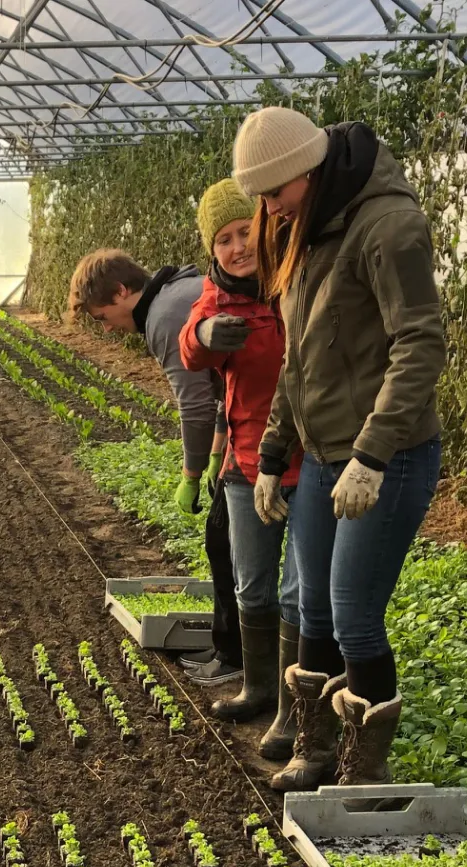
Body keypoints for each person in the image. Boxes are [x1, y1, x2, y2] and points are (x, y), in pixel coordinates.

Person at [232, 108, 445, 791]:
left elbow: (420, 345)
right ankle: (315, 748)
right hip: (324, 453)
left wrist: (374, 454)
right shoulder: (311, 230)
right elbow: (300, 362)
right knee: (315, 609)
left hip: (387, 456)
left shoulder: (388, 226)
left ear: (310, 171)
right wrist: (272, 457)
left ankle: (364, 770)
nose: (267, 209)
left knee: (353, 611)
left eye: (274, 191)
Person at [67, 250, 238, 689]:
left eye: (103, 316)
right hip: (250, 422)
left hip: (268, 427)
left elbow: (195, 404)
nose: (106, 328)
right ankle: (229, 648)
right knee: (227, 540)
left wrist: (192, 474)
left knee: (226, 542)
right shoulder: (181, 290)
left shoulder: (164, 316)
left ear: (123, 292)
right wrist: (220, 450)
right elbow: (223, 383)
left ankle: (235, 655)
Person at [178, 179, 302, 759]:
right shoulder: (217, 298)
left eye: (244, 231)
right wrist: (205, 333)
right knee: (253, 585)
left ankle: (292, 709)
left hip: (309, 460)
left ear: (265, 224)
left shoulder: (293, 280)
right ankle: (257, 688)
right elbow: (191, 348)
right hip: (246, 463)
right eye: (223, 239)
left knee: (300, 594)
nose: (236, 247)